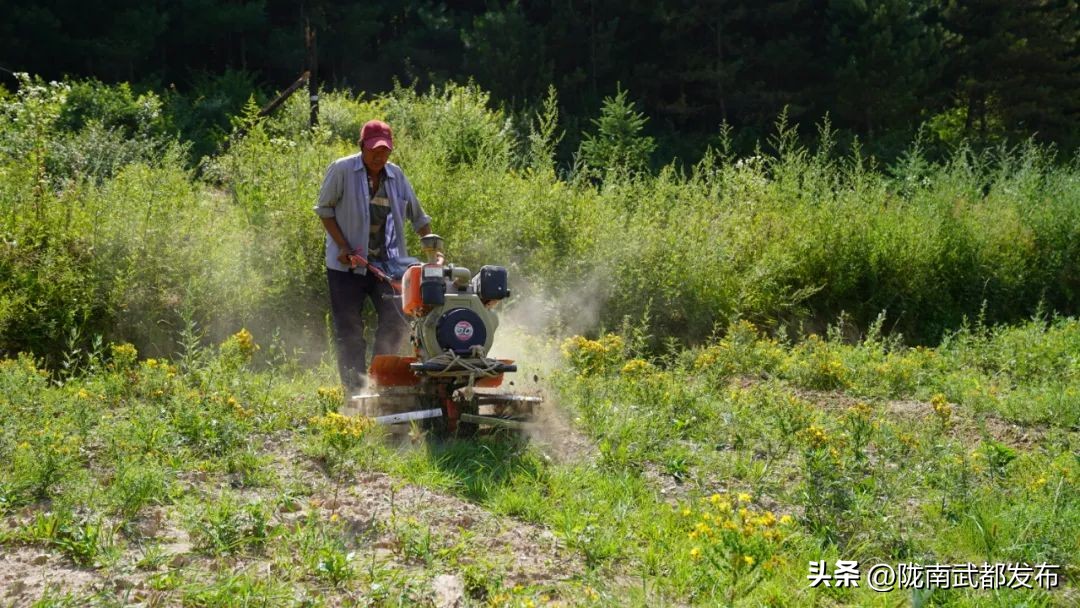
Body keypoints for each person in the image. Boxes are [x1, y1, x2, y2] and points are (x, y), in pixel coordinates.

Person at [314, 119, 432, 394]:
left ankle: (381, 385)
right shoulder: (342, 169)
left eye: (385, 150)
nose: (379, 156)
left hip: (387, 266)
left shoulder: (396, 176)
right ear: (362, 147)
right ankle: (355, 392)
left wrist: (432, 251)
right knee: (350, 330)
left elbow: (419, 217)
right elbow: (325, 210)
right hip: (347, 267)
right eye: (374, 150)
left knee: (395, 322)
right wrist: (343, 246)